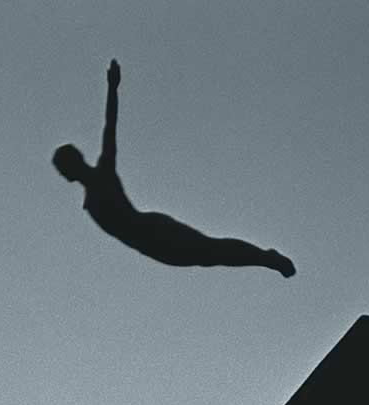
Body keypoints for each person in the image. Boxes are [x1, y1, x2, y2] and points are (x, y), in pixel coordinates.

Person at [53, 60, 296, 278]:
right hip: (153, 247)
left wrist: (112, 88)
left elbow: (110, 127)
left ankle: (267, 258)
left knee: (211, 250)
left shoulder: (103, 174)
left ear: (74, 163)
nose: (63, 175)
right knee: (210, 255)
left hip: (154, 231)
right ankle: (266, 258)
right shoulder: (90, 197)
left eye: (63, 169)